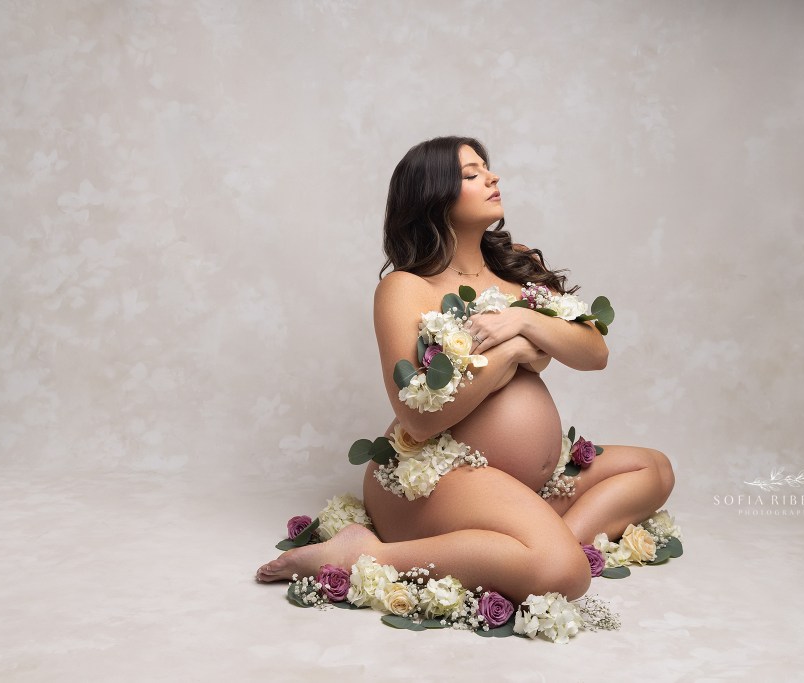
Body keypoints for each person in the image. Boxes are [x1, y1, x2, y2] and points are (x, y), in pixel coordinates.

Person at [256, 136, 675, 602]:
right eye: (471, 175)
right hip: (435, 480)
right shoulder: (405, 288)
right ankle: (363, 553)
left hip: (521, 480)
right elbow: (417, 417)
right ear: (434, 198)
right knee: (564, 574)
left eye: (487, 169)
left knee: (653, 469)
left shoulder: (519, 266)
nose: (492, 177)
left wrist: (524, 319)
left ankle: (527, 538)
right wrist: (514, 351)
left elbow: (594, 353)